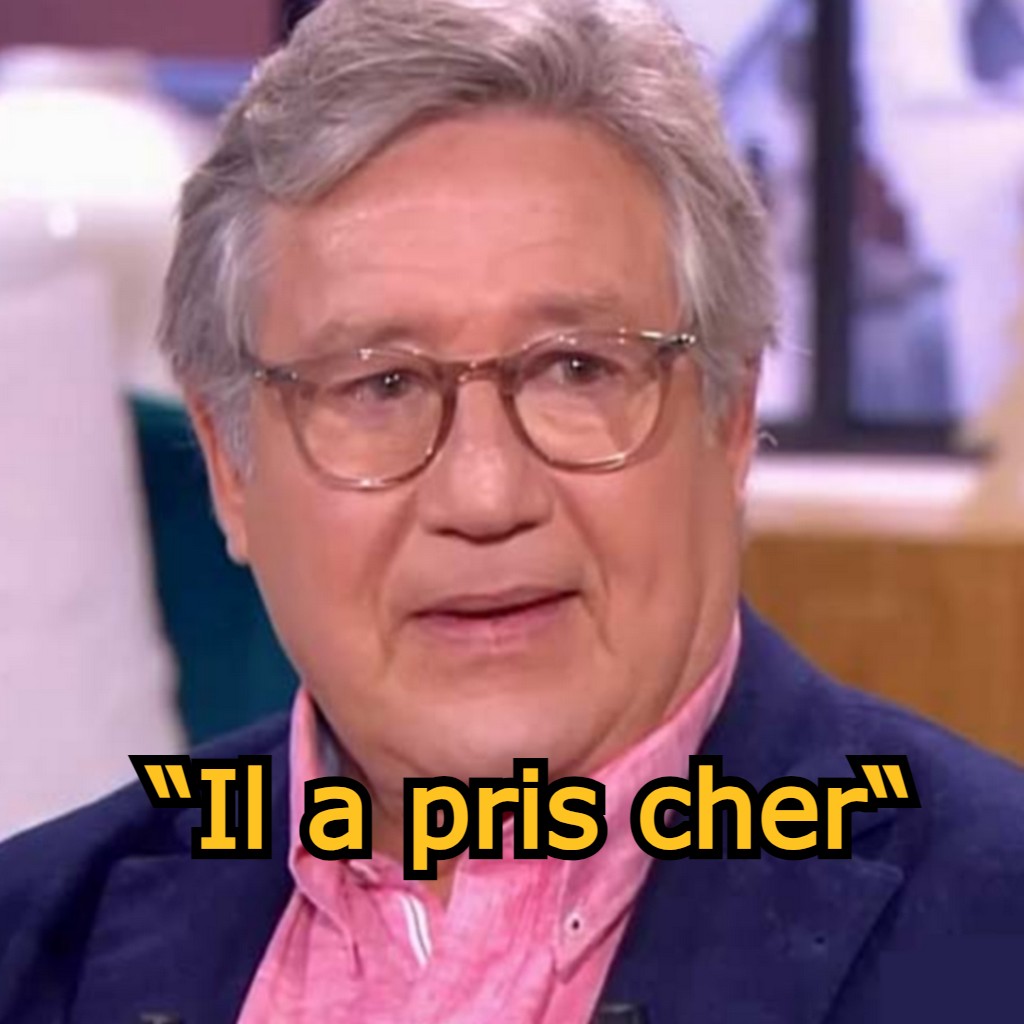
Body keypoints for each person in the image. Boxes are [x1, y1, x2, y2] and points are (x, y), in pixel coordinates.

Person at [2, 1, 1024, 1021]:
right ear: (230, 466)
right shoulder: (31, 942)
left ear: (730, 419)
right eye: (381, 386)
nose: (485, 495)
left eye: (577, 370)